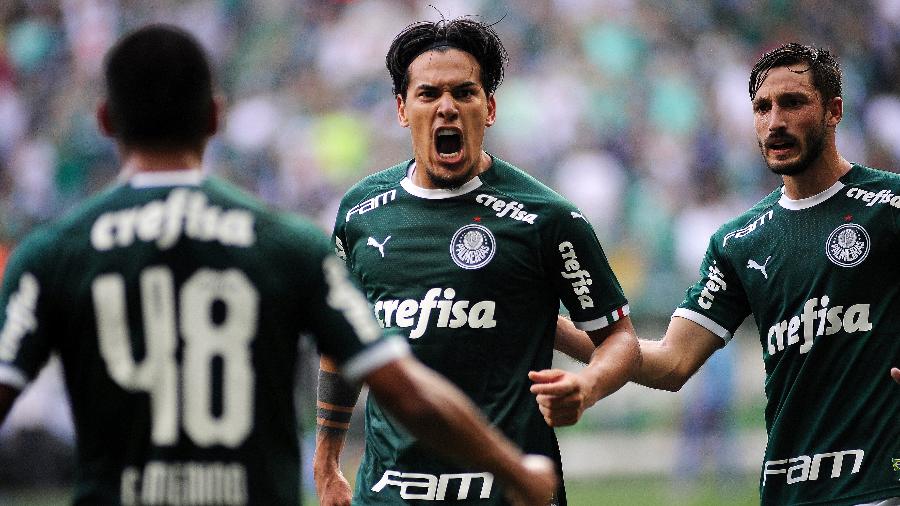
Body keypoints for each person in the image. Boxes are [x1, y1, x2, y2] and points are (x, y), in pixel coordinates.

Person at [0, 24, 560, 505]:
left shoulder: (53, 254)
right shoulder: (285, 246)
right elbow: (405, 389)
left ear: (103, 120)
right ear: (215, 117)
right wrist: (517, 471)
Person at [551, 43, 900, 505]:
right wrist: (547, 321)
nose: (775, 121)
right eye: (762, 107)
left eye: (793, 103)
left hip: (880, 485)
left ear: (834, 110)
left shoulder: (889, 207)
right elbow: (670, 363)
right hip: (787, 491)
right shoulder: (739, 242)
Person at [313, 17, 640, 506]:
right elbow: (341, 342)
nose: (447, 107)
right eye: (428, 94)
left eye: (464, 93)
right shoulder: (359, 213)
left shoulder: (548, 219)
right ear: (403, 110)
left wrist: (586, 385)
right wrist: (327, 459)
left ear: (488, 108)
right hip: (387, 494)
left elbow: (619, 340)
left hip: (510, 493)